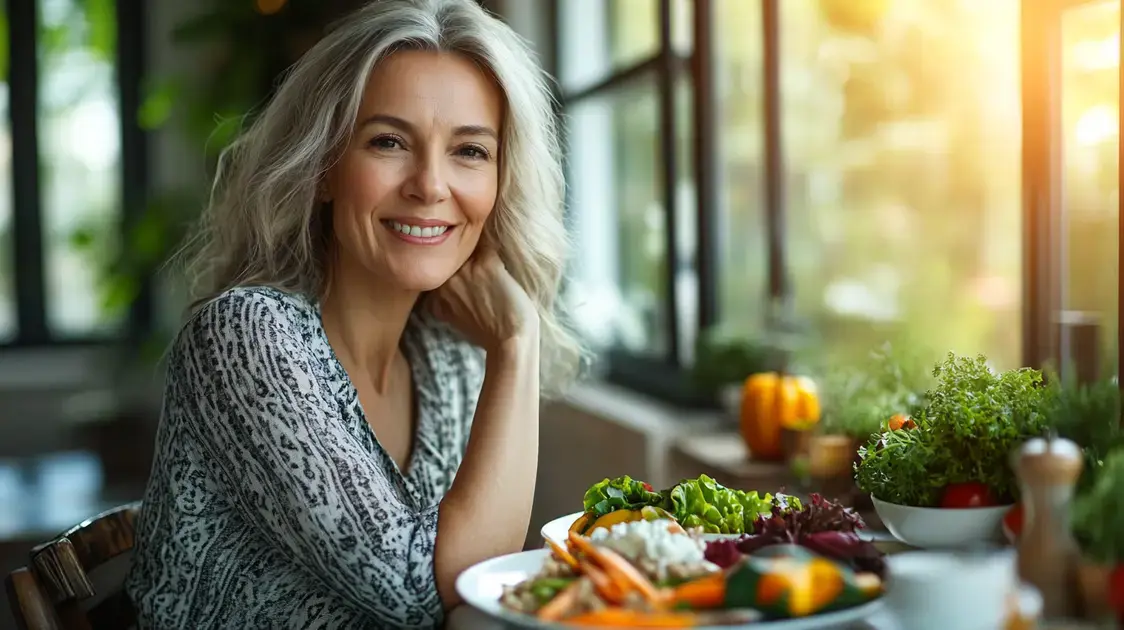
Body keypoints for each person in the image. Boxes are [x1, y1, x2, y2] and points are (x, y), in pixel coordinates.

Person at [125, 0, 582, 627]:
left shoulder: (443, 357)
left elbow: (473, 591)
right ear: (323, 170)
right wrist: (517, 340)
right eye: (389, 141)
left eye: (469, 151)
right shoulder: (247, 337)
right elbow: (430, 592)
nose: (430, 185)